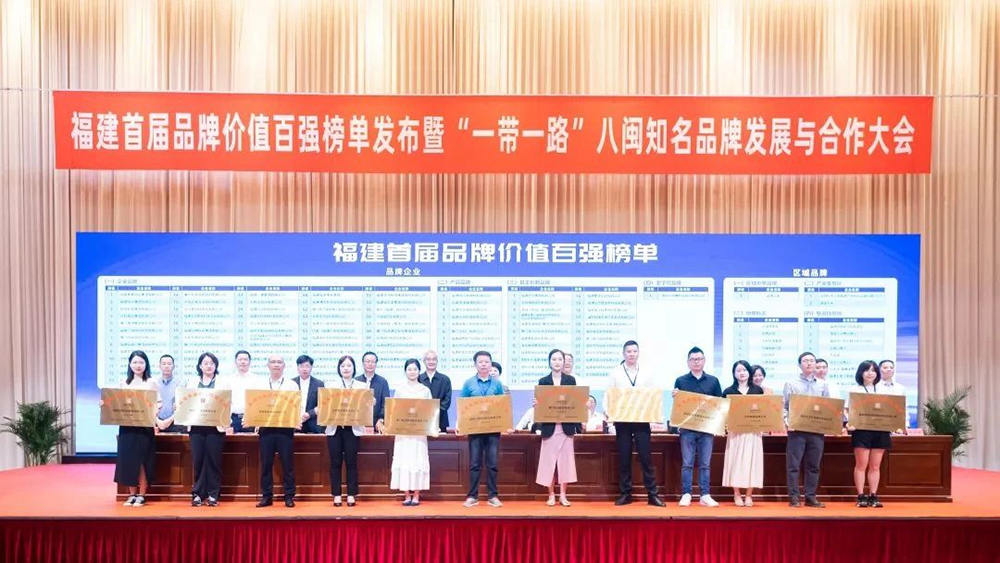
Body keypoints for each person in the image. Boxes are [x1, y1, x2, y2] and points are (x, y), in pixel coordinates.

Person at [605, 340, 662, 506]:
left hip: (641, 420)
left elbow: (653, 395)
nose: (631, 354)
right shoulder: (615, 373)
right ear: (623, 354)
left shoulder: (647, 372)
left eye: (634, 351)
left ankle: (653, 495)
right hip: (622, 421)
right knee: (624, 458)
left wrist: (655, 414)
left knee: (646, 458)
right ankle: (625, 494)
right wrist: (609, 412)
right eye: (628, 351)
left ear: (638, 353)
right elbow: (609, 395)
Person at [672, 346, 723, 507]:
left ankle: (705, 495)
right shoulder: (681, 381)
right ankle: (686, 493)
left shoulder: (713, 381)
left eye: (699, 359)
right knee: (687, 463)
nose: (696, 362)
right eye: (693, 359)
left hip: (707, 429)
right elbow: (678, 406)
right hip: (687, 429)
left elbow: (719, 405)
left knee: (705, 464)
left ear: (704, 361)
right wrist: (675, 397)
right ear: (688, 362)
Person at [460, 350, 507, 508]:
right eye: (480, 362)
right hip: (475, 430)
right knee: (475, 464)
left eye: (487, 362)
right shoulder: (468, 383)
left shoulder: (497, 384)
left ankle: (493, 496)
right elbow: (463, 406)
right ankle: (472, 496)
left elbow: (502, 405)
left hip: (493, 430)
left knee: (492, 464)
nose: (484, 364)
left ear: (491, 364)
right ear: (475, 365)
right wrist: (461, 424)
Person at [783, 351, 830, 508]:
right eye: (805, 360)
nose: (809, 363)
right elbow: (785, 406)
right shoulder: (791, 383)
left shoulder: (823, 384)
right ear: (799, 365)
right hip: (797, 430)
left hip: (816, 431)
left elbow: (827, 407)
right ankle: (794, 497)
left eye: (812, 360)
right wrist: (787, 422)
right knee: (793, 465)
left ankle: (810, 497)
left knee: (813, 466)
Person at [114, 351, 160, 507]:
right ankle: (131, 494)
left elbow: (158, 403)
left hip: (144, 427)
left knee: (142, 461)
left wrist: (154, 410)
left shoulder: (151, 382)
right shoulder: (123, 383)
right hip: (127, 428)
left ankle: (141, 495)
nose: (138, 365)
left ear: (146, 364)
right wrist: (106, 405)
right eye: (134, 362)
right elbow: (117, 403)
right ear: (129, 364)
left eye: (141, 362)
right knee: (128, 461)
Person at [535, 349, 579, 507]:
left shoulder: (571, 380)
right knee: (549, 463)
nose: (557, 362)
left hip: (566, 428)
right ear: (549, 362)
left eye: (560, 359)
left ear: (564, 362)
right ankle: (551, 495)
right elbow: (541, 404)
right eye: (554, 359)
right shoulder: (543, 381)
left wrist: (583, 403)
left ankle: (563, 495)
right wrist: (537, 404)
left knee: (565, 462)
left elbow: (574, 402)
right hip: (549, 427)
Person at [256, 355, 299, 508]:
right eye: (273, 362)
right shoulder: (260, 384)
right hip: (266, 429)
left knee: (287, 464)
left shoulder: (291, 385)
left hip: (285, 429)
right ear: (267, 365)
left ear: (284, 365)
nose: (276, 365)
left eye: (279, 362)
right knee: (266, 464)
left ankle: (289, 496)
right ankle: (266, 496)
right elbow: (255, 405)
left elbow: (296, 406)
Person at [846, 360, 891, 508]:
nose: (870, 373)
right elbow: (848, 411)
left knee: (875, 466)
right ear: (861, 373)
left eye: (873, 370)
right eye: (867, 370)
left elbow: (892, 409)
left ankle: (873, 495)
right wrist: (849, 423)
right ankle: (861, 496)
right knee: (861, 465)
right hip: (861, 431)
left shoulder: (883, 389)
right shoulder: (855, 390)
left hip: (881, 431)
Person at [187, 352, 229, 507]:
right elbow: (186, 403)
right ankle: (198, 493)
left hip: (215, 428)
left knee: (213, 461)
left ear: (216, 365)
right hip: (196, 427)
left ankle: (213, 494)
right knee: (198, 460)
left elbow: (227, 405)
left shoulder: (223, 383)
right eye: (205, 363)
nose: (209, 366)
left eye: (212, 363)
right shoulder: (192, 382)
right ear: (200, 366)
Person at [721, 360, 764, 507]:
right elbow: (723, 413)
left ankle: (749, 495)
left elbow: (763, 411)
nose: (742, 373)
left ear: (749, 372)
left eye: (744, 370)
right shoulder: (728, 391)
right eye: (738, 370)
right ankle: (737, 494)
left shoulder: (758, 390)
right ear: (734, 374)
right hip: (736, 433)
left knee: (752, 462)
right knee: (735, 462)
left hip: (753, 432)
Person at [392, 358, 433, 506]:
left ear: (419, 371)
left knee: (417, 460)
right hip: (403, 433)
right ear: (405, 371)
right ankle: (406, 495)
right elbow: (394, 410)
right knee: (404, 460)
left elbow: (430, 412)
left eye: (415, 369)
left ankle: (416, 494)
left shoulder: (425, 390)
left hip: (419, 433)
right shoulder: (400, 390)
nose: (412, 372)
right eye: (409, 369)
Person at [325, 355, 365, 507]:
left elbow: (365, 407)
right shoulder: (330, 385)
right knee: (335, 462)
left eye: (349, 366)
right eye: (343, 366)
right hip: (334, 429)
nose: (346, 368)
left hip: (352, 429)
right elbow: (325, 405)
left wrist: (370, 402)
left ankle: (351, 494)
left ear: (354, 368)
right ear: (339, 368)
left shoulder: (362, 386)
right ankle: (336, 494)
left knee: (351, 462)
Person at [418, 349, 452, 433]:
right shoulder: (418, 379)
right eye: (428, 359)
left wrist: (434, 413)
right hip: (421, 420)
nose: (431, 362)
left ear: (437, 361)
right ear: (424, 361)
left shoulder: (445, 379)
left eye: (434, 359)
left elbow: (446, 401)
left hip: (441, 420)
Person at [292, 354, 325, 434]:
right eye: (301, 366)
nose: (304, 369)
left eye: (307, 366)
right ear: (297, 368)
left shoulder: (319, 383)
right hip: (295, 424)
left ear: (311, 367)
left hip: (313, 423)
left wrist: (309, 414)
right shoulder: (291, 383)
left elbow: (322, 404)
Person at [360, 351, 391, 433]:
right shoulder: (356, 381)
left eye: (373, 362)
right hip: (358, 425)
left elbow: (386, 404)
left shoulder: (383, 382)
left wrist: (381, 419)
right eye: (367, 361)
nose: (370, 364)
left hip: (377, 425)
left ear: (376, 364)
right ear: (363, 363)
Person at [229, 350, 260, 433]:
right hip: (233, 419)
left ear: (250, 362)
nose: (243, 362)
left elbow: (259, 402)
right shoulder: (228, 379)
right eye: (240, 359)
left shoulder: (257, 379)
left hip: (251, 419)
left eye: (245, 359)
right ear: (235, 362)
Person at [154, 354, 185, 433]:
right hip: (157, 423)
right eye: (164, 364)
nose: (166, 366)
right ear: (159, 366)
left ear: (173, 366)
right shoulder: (154, 383)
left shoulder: (181, 383)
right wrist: (158, 421)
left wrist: (170, 420)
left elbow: (182, 406)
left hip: (175, 423)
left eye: (169, 364)